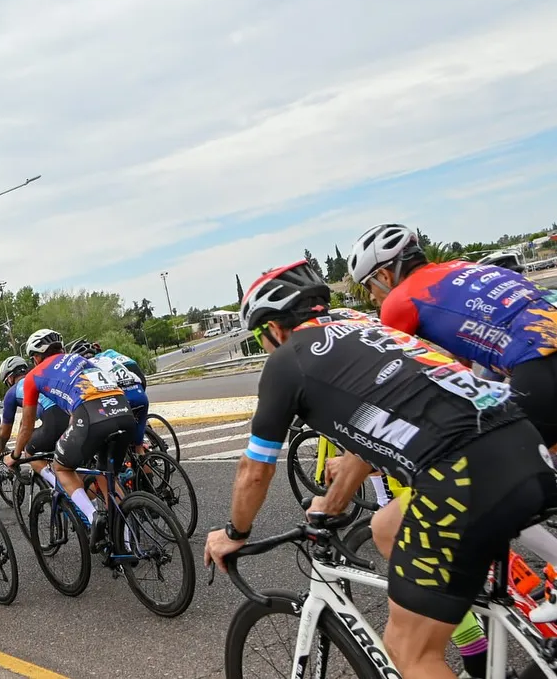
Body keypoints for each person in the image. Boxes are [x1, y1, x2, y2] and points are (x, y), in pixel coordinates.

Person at [203, 259, 557, 679]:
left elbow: (254, 470)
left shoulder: (288, 360)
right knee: (387, 525)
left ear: (274, 329)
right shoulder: (366, 326)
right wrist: (330, 506)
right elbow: (367, 443)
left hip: (461, 475)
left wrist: (234, 533)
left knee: (407, 650)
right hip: (523, 441)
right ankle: (480, 641)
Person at [348, 223, 557, 614]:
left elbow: (391, 376)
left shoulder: (400, 301)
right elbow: (468, 370)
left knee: (497, 479)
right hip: (541, 362)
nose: (374, 297)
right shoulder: (465, 270)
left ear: (383, 274)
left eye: (369, 287)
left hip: (542, 368)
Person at [4, 329, 136, 550]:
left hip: (92, 415)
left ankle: (94, 516)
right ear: (61, 348)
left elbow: (26, 425)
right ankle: (128, 543)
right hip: (124, 411)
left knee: (62, 467)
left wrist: (15, 455)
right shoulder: (80, 359)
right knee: (107, 476)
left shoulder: (33, 377)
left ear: (36, 357)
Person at [0, 355, 68, 487]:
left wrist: (2, 449)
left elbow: (4, 432)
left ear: (10, 378)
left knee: (29, 450)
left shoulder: (13, 392)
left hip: (55, 422)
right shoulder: (40, 377)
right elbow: (26, 419)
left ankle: (59, 487)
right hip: (73, 417)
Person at [69, 339, 149, 447]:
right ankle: (143, 449)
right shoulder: (106, 358)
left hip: (120, 397)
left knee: (109, 435)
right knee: (138, 439)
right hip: (138, 390)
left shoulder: (86, 367)